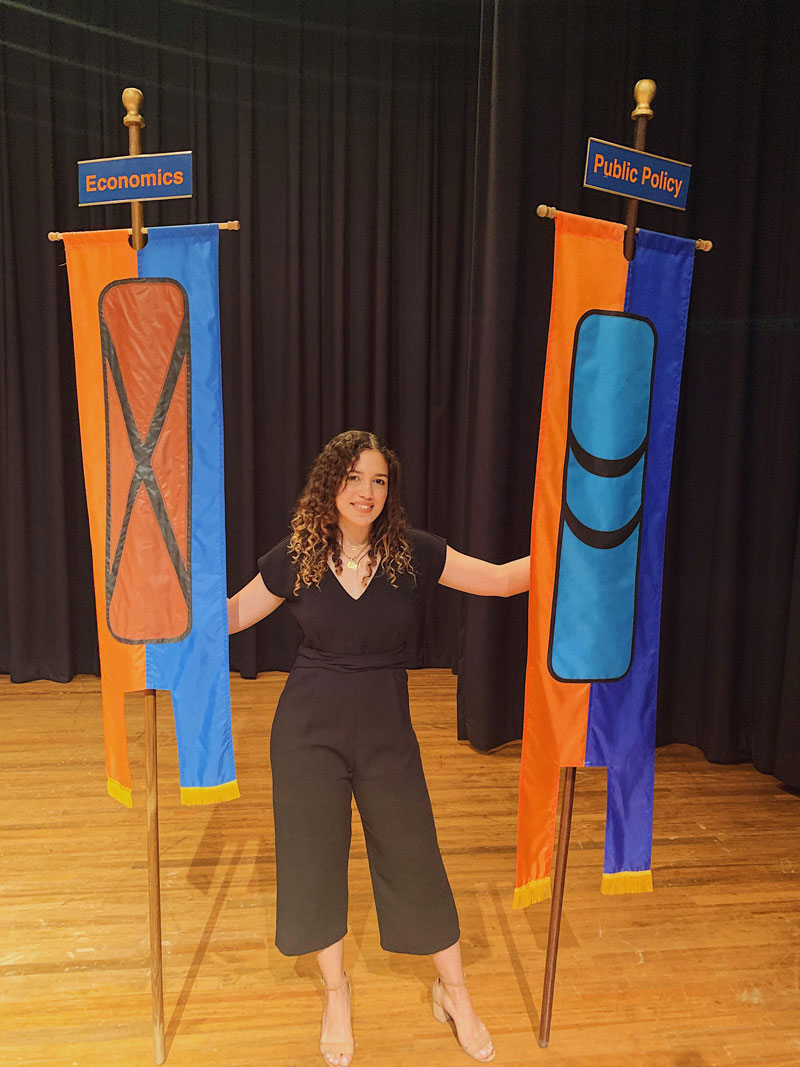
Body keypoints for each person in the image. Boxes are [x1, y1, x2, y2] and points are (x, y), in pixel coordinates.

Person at [227, 430, 529, 1065]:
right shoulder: (299, 556)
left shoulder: (412, 554)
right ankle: (336, 994)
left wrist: (579, 549)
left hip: (387, 730)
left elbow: (501, 582)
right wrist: (161, 600)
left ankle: (457, 994)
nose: (367, 492)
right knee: (313, 861)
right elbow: (229, 617)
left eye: (379, 480)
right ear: (331, 484)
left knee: (415, 854)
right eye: (355, 478)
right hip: (308, 728)